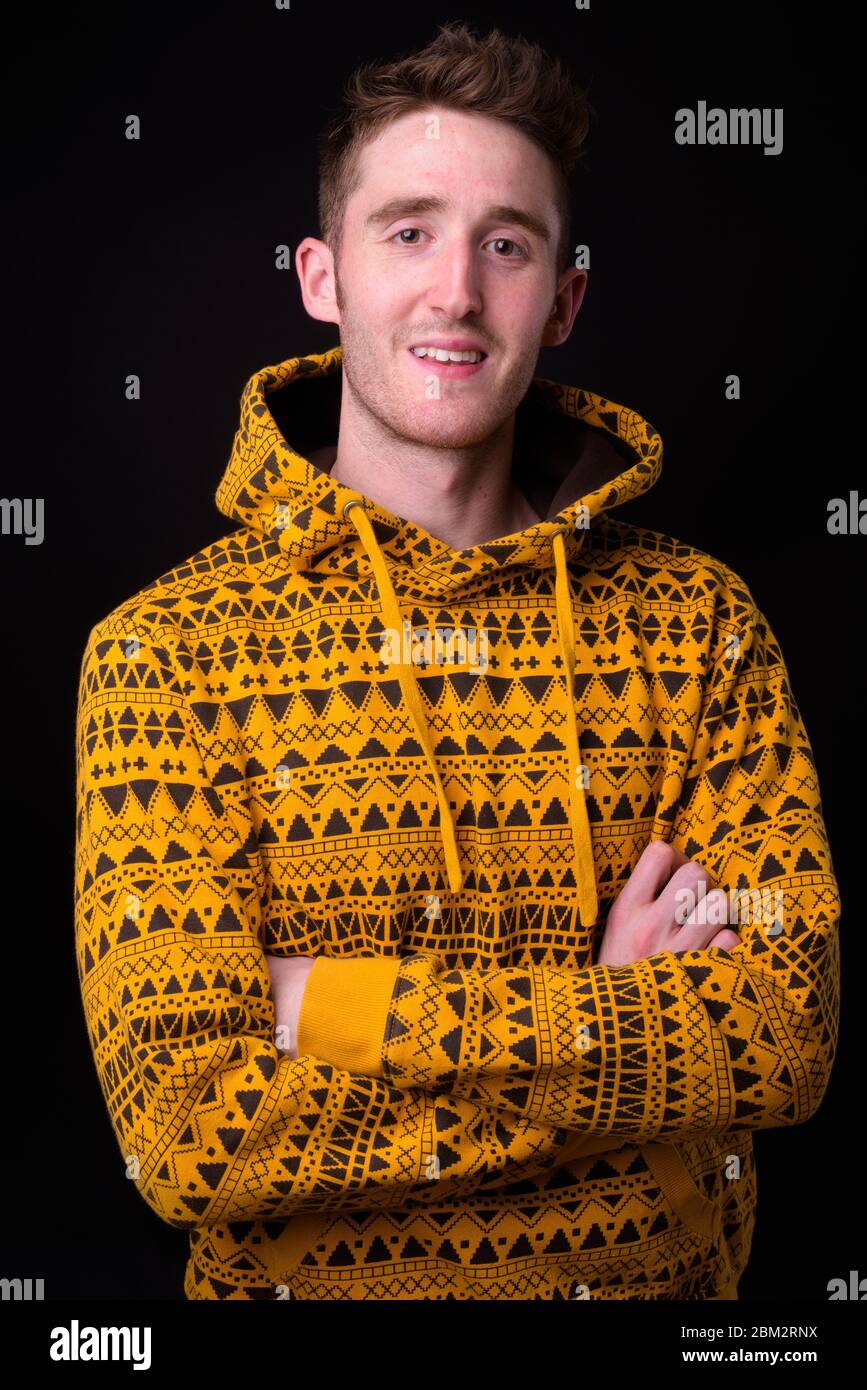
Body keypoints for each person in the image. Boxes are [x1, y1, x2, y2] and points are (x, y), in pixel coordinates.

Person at [74, 21, 840, 1301]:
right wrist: (608, 1020)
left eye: (507, 243)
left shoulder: (701, 624)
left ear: (565, 297)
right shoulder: (164, 653)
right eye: (409, 231)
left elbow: (784, 1032)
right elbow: (188, 1130)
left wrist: (316, 1005)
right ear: (323, 276)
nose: (456, 295)